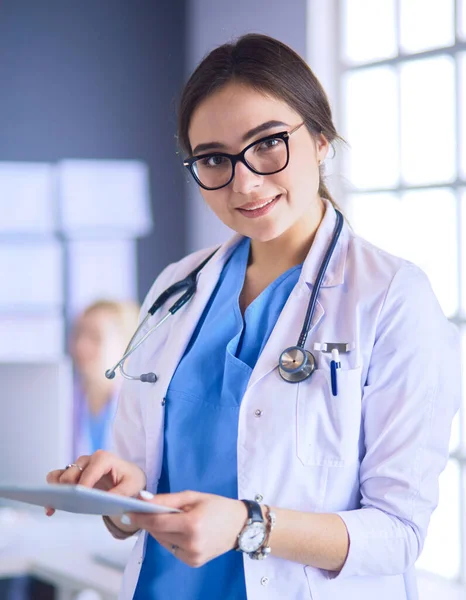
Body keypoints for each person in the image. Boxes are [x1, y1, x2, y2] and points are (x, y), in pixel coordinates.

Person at [46, 34, 460, 600]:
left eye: (267, 143)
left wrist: (249, 525)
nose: (245, 182)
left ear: (319, 138)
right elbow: (139, 487)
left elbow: (399, 532)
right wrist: (117, 497)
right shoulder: (176, 289)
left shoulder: (391, 298)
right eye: (214, 158)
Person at [69, 300, 140, 457]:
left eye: (95, 337)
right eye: (78, 334)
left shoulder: (141, 406)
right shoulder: (64, 400)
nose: (81, 346)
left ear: (127, 346)